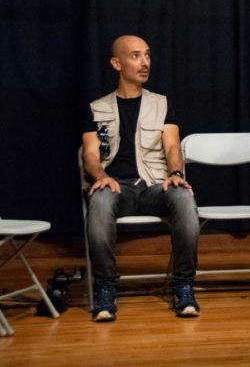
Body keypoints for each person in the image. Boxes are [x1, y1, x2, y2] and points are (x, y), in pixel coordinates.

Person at [81, 35, 200, 322]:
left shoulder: (162, 104)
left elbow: (172, 146)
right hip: (115, 186)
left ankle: (183, 286)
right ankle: (105, 289)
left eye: (147, 55)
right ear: (116, 63)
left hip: (154, 185)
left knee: (184, 198)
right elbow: (90, 155)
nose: (145, 62)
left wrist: (175, 174)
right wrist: (101, 176)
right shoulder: (96, 108)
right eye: (135, 56)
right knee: (99, 202)